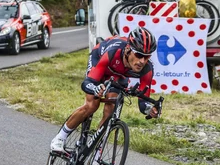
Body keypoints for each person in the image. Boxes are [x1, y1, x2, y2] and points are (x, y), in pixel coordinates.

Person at [50, 26, 159, 155]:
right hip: (100, 60)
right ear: (129, 49)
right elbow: (87, 83)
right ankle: (60, 138)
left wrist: (149, 109)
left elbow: (143, 102)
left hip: (118, 75)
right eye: (139, 55)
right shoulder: (113, 52)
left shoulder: (147, 69)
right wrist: (95, 88)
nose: (142, 61)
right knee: (92, 105)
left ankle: (97, 155)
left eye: (146, 57)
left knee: (110, 110)